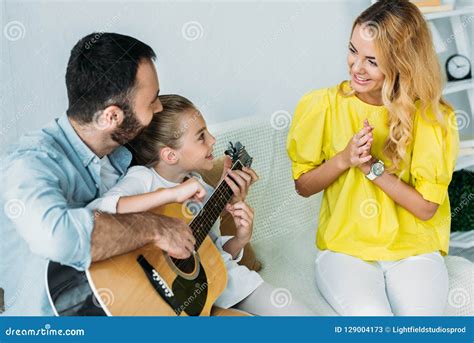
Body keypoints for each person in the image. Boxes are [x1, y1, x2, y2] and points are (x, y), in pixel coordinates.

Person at [0, 32, 254, 316]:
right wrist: (155, 227)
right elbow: (58, 237)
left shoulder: (121, 150)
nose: (158, 108)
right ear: (111, 116)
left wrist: (223, 191)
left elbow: (180, 171)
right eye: (152, 101)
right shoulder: (29, 164)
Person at [287, 0, 459, 316]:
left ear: (402, 64)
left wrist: (371, 168)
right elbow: (303, 186)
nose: (356, 67)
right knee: (374, 322)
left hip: (414, 250)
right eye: (352, 51)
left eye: (372, 61)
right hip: (346, 251)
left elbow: (425, 208)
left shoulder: (432, 118)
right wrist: (343, 159)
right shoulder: (322, 106)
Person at [89, 94, 315, 316]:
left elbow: (210, 253)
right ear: (169, 155)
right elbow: (99, 212)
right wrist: (171, 194)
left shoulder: (203, 190)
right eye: (201, 136)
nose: (213, 140)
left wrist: (240, 239)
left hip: (226, 282)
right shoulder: (143, 178)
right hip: (174, 298)